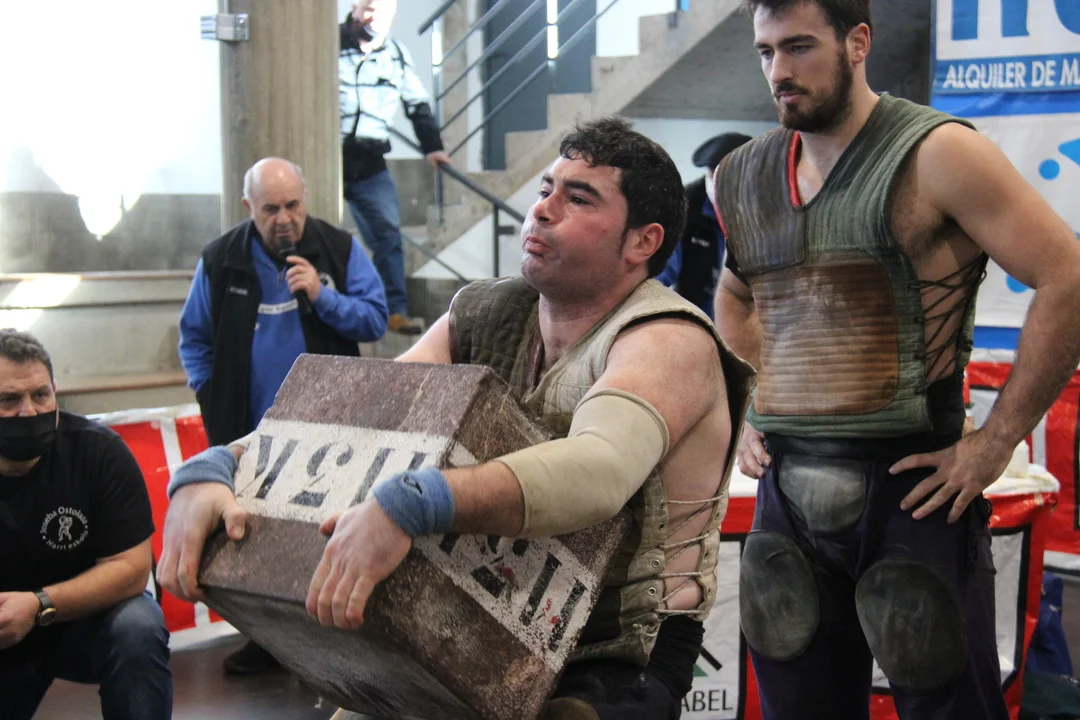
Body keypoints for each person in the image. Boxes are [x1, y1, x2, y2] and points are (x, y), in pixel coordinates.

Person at [159, 117, 754, 719]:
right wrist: (216, 468)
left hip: (614, 658)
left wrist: (414, 501)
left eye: (578, 199)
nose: (542, 210)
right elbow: (366, 416)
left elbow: (599, 468)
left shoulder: (667, 339)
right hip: (481, 621)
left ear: (642, 242)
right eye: (546, 189)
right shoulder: (486, 313)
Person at [711, 1, 1080, 719]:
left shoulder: (940, 154)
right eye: (765, 52)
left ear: (858, 43)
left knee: (947, 702)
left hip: (914, 491)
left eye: (799, 47)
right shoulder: (743, 175)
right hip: (787, 493)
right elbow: (733, 294)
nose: (779, 71)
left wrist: (994, 444)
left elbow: (1066, 276)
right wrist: (750, 400)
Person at [179, 157, 388, 674]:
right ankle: (267, 641)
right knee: (251, 538)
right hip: (247, 431)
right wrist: (211, 392)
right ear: (248, 207)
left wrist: (322, 295)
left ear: (306, 198)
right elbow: (194, 338)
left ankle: (331, 644)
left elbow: (375, 319)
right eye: (270, 209)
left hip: (330, 427)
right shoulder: (221, 259)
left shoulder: (338, 249)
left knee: (324, 531)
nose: (284, 219)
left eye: (292, 205)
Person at [0, 330, 172, 720]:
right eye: (8, 400)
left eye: (40, 395)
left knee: (137, 627)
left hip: (83, 620)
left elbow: (131, 569)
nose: (29, 411)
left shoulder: (98, 452)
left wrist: (39, 604)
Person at [341, 0, 452, 336]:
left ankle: (394, 311)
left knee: (388, 236)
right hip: (327, 158)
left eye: (384, 10)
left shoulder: (397, 55)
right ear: (355, 6)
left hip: (370, 162)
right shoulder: (326, 48)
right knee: (321, 230)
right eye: (369, 7)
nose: (375, 17)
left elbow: (417, 104)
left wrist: (433, 147)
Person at [657, 132, 751, 318]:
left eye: (727, 178)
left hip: (754, 322)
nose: (718, 186)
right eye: (712, 175)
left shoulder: (770, 211)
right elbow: (659, 274)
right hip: (696, 320)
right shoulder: (684, 209)